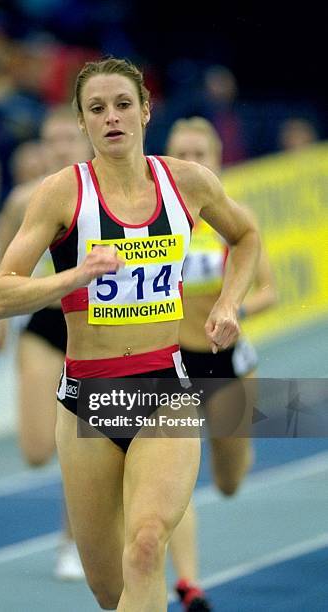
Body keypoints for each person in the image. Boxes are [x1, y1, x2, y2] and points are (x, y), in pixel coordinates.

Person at [0, 57, 260, 611]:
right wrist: (76, 276)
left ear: (144, 111)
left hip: (164, 389)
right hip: (88, 398)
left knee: (144, 546)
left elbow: (247, 235)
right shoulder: (60, 194)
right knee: (108, 586)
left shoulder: (186, 183)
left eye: (122, 105)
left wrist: (230, 302)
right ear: (82, 122)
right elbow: (1, 295)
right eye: (96, 109)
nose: (111, 117)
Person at [165, 116, 277, 610]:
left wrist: (234, 309)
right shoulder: (153, 221)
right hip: (171, 365)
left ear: (218, 160)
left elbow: (269, 290)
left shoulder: (234, 218)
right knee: (172, 479)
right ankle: (190, 585)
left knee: (229, 482)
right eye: (181, 155)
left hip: (227, 362)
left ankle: (232, 465)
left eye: (200, 155)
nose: (191, 164)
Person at [0, 105, 92, 580]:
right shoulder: (25, 199)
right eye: (52, 139)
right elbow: (2, 259)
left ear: (87, 139)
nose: (60, 147)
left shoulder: (106, 194)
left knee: (80, 443)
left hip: (94, 332)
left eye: (69, 138)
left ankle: (72, 540)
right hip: (47, 329)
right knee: (36, 450)